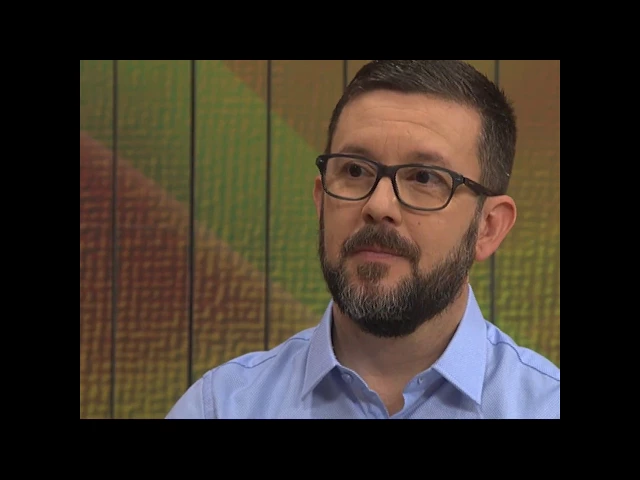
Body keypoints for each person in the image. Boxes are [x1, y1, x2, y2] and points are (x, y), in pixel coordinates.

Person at [166, 60, 560, 419]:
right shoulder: (221, 407)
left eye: (424, 177)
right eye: (355, 171)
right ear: (320, 201)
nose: (378, 205)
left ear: (488, 227)